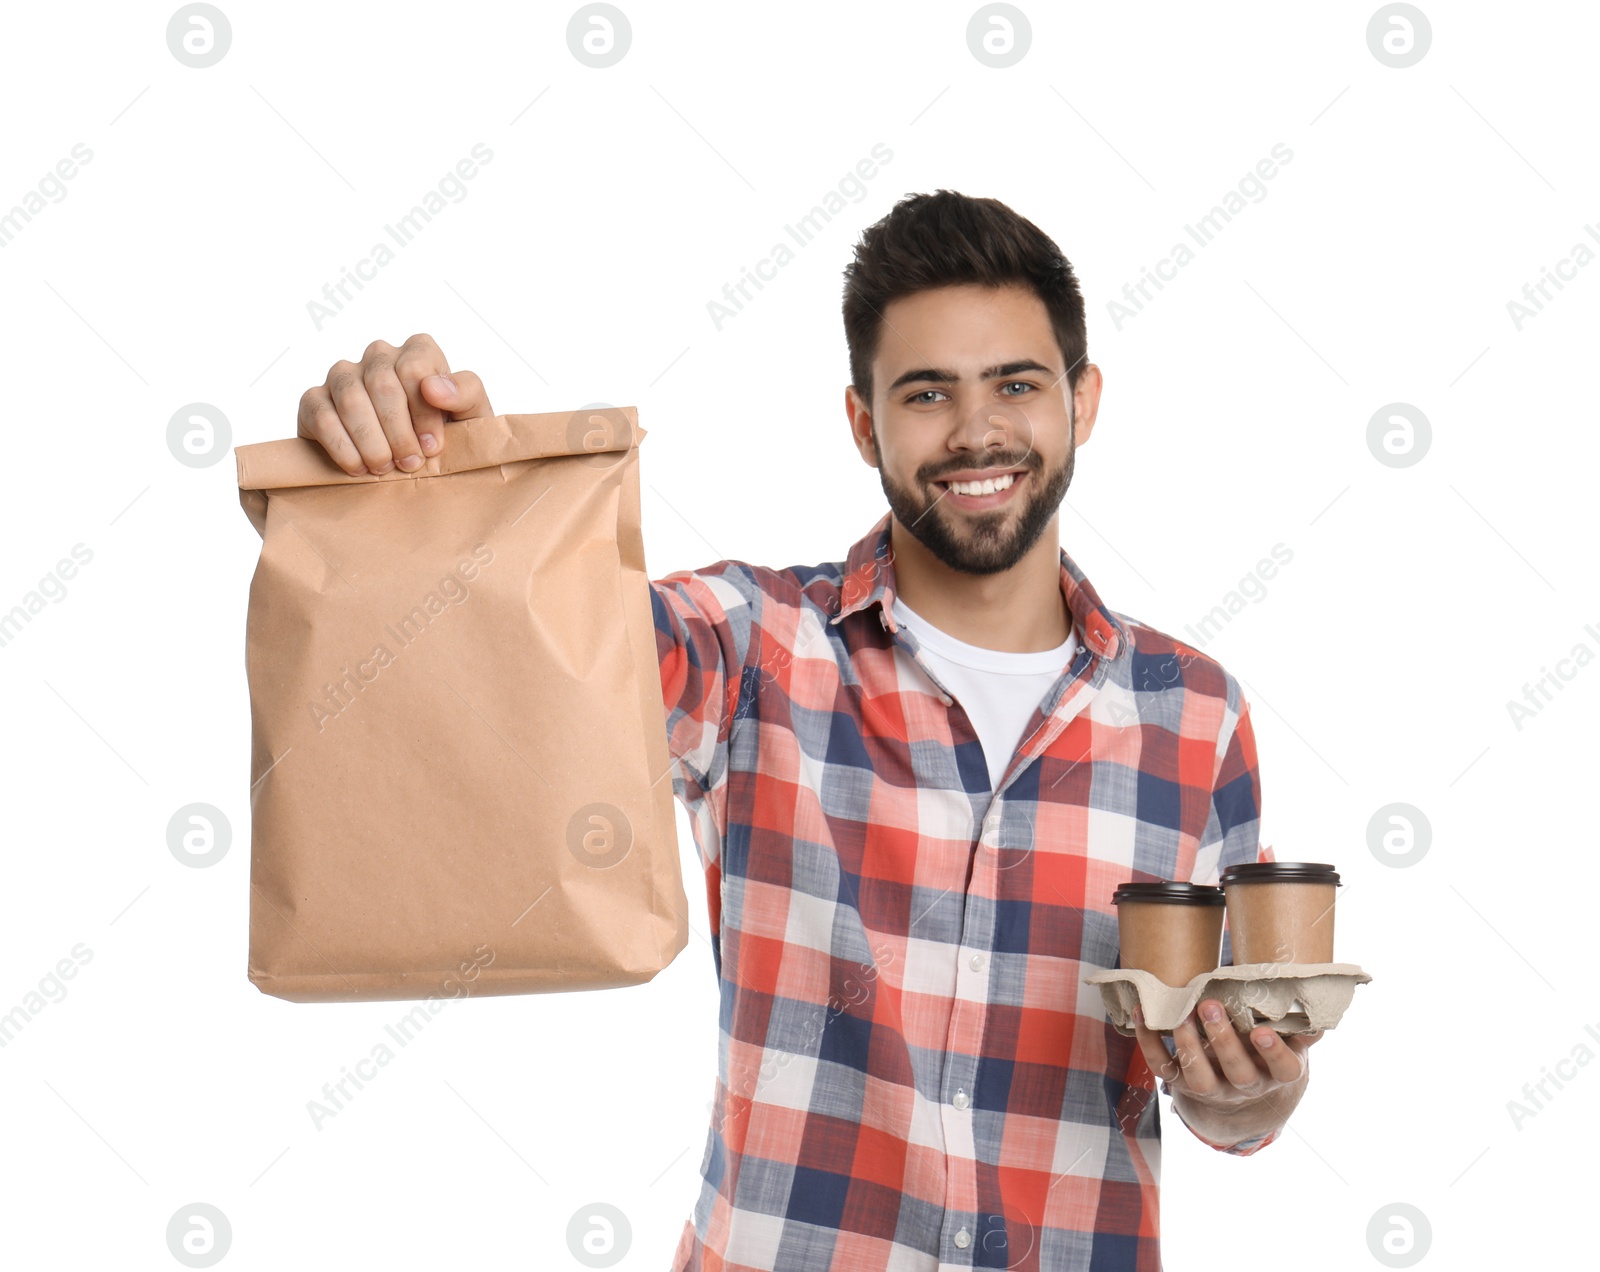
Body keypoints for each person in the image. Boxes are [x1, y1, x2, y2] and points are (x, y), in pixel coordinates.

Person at [296, 189, 1320, 1271]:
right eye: (927, 393)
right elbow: (509, 657)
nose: (977, 430)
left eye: (1015, 384)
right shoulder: (754, 648)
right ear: (863, 423)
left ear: (1082, 399)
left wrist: (1259, 1091)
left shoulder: (1193, 712)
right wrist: (409, 482)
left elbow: (1234, 1085)